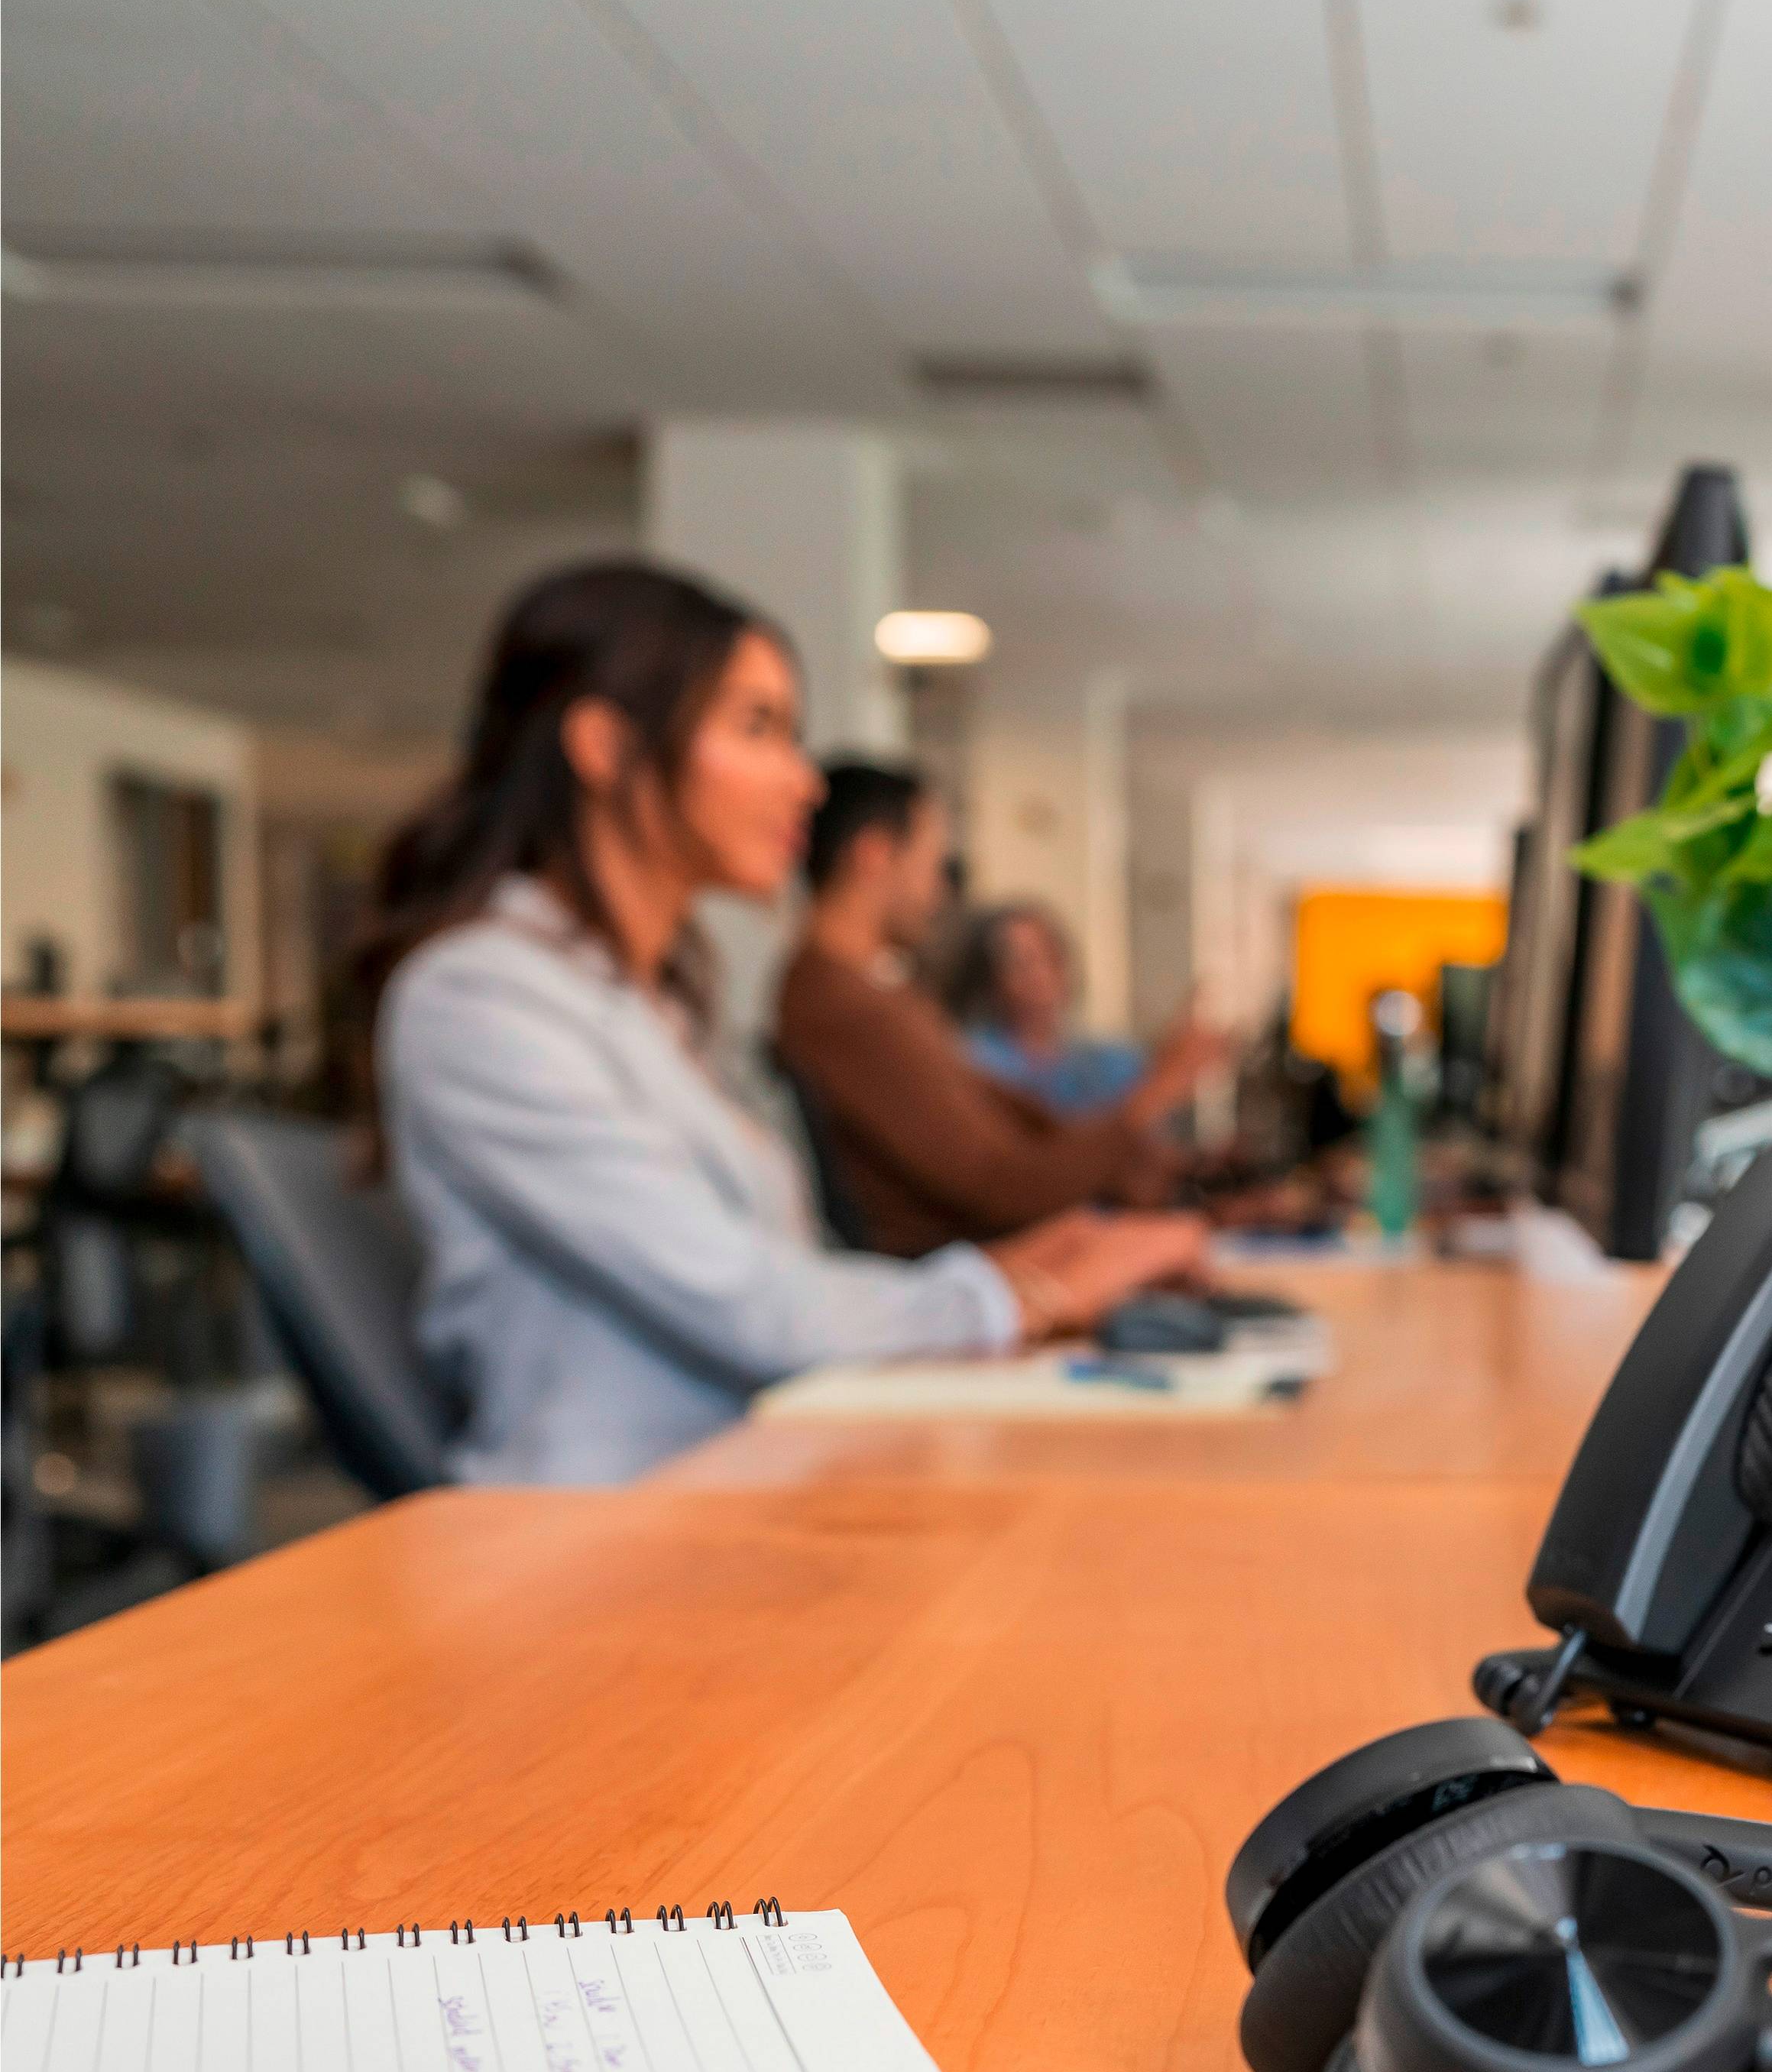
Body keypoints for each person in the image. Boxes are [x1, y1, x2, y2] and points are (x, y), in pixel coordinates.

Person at [363, 562, 1204, 1484]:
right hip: (596, 1542)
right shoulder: (480, 997)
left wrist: (1007, 1272)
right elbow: (743, 1301)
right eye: (756, 727)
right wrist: (1017, 1293)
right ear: (604, 747)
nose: (804, 783)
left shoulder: (652, 1003)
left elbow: (774, 1278)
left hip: (737, 1489)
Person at [773, 765, 1223, 1257]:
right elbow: (1002, 1185)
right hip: (966, 1289)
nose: (940, 890)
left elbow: (1019, 1143)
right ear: (875, 855)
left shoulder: (877, 994)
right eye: (932, 863)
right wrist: (1156, 1092)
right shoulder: (843, 1005)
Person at [953, 902, 1168, 1118]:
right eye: (1022, 963)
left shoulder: (1115, 1061)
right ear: (989, 980)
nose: (1041, 975)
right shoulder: (972, 1062)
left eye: (1052, 957)